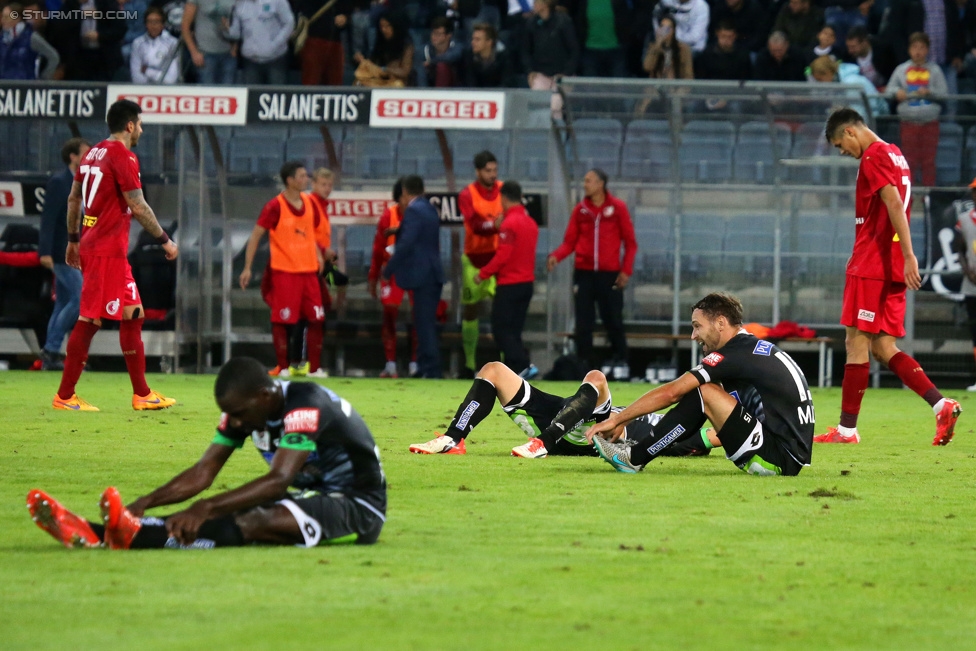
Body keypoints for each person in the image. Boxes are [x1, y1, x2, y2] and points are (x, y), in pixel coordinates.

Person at [28, 356, 386, 550]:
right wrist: (145, 502)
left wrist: (204, 507)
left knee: (255, 519)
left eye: (241, 415)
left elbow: (278, 481)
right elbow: (204, 472)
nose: (237, 423)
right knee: (240, 509)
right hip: (311, 495)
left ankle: (118, 536)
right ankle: (106, 532)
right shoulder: (245, 410)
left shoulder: (305, 405)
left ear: (264, 396)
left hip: (359, 506)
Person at [818, 108, 961, 445]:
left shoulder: (874, 156)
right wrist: (904, 257)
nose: (843, 152)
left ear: (851, 132)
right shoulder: (896, 154)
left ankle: (846, 431)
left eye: (841, 144)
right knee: (882, 346)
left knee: (856, 343)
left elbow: (895, 204)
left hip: (872, 263)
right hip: (890, 264)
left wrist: (911, 255)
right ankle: (941, 405)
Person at [587, 293, 815, 476]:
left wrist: (617, 418)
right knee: (703, 393)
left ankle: (634, 457)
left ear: (720, 323)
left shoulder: (734, 354)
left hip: (778, 459)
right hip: (786, 455)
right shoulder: (749, 348)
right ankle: (639, 452)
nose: (693, 336)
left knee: (703, 391)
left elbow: (672, 393)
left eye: (697, 326)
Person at [53, 100, 178, 412]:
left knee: (133, 313)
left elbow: (73, 199)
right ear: (130, 125)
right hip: (106, 250)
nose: (142, 130)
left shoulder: (91, 153)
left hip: (103, 247)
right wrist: (164, 240)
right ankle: (65, 396)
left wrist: (73, 240)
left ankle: (142, 393)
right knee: (90, 319)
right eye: (140, 124)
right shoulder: (124, 156)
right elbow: (137, 205)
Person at [408, 360, 715, 457]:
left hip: (595, 433)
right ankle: (453, 438)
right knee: (493, 370)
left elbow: (717, 436)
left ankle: (544, 443)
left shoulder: (682, 436)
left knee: (596, 377)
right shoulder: (682, 415)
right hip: (570, 412)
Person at [240, 161, 327, 379]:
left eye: (306, 175)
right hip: (285, 271)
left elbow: (309, 232)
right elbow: (256, 235)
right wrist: (248, 267)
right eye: (302, 176)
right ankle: (283, 367)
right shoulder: (275, 206)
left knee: (317, 318)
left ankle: (314, 369)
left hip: (308, 272)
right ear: (290, 180)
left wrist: (317, 255)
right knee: (282, 320)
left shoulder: (310, 202)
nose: (306, 179)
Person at [547, 168, 637, 371]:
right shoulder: (580, 210)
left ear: (600, 184)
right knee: (583, 323)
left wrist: (625, 271)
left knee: (613, 319)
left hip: (610, 274)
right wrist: (556, 257)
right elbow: (569, 242)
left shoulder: (617, 208)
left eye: (588, 181)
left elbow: (631, 243)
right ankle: (583, 366)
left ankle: (622, 363)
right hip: (584, 274)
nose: (585, 184)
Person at [383, 175, 444, 379]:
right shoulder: (428, 208)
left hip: (422, 275)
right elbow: (419, 233)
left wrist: (388, 269)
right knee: (424, 322)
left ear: (405, 192)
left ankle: (430, 369)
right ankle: (425, 366)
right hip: (432, 273)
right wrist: (398, 230)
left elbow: (407, 243)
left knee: (424, 324)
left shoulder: (413, 210)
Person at [38, 138, 90, 372]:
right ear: (73, 156)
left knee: (62, 303)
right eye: (85, 153)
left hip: (73, 252)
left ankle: (51, 354)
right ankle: (51, 349)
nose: (89, 157)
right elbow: (48, 218)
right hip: (60, 252)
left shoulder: (80, 182)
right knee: (79, 299)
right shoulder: (60, 182)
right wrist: (45, 251)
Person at [477, 181, 538, 379]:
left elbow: (504, 255)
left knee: (501, 329)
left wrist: (483, 273)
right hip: (526, 283)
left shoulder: (509, 223)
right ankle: (514, 373)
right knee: (514, 330)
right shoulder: (530, 222)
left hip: (509, 284)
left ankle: (524, 365)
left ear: (503, 198)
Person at [458, 151, 502, 379]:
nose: (493, 175)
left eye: (495, 170)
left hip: (497, 260)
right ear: (478, 172)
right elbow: (475, 225)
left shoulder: (503, 190)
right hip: (473, 261)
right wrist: (495, 224)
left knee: (503, 311)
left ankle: (506, 367)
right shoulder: (467, 194)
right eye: (488, 171)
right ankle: (469, 364)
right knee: (471, 310)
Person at [367, 180, 418, 379]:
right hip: (393, 270)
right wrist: (373, 278)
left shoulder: (419, 216)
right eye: (406, 196)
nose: (410, 200)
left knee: (419, 316)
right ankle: (390, 364)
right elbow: (377, 249)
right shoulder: (389, 216)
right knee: (389, 312)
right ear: (399, 198)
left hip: (415, 270)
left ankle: (415, 364)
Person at [885, 32, 947, 187]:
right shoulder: (901, 69)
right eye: (915, 47)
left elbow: (944, 94)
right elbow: (889, 90)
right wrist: (896, 92)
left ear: (927, 50)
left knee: (928, 161)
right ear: (909, 49)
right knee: (909, 160)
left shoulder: (935, 70)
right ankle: (908, 194)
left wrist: (930, 93)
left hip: (930, 122)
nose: (918, 51)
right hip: (908, 122)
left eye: (922, 47)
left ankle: (928, 196)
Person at [522, 0, 579, 112]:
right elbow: (525, 51)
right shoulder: (531, 24)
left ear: (545, 4)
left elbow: (574, 50)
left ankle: (558, 128)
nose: (533, 4)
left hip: (562, 75)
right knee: (537, 109)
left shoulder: (563, 21)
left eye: (536, 2)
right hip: (541, 73)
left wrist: (567, 73)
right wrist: (529, 71)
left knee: (554, 108)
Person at [224, 0, 294, 85]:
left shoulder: (278, 1)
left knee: (276, 94)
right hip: (250, 61)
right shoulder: (239, 5)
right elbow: (236, 33)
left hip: (275, 59)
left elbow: (289, 23)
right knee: (251, 95)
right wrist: (226, 28)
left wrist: (274, 44)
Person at [569, 0, 632, 77]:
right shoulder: (583, 2)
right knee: (590, 86)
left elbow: (626, 21)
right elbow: (580, 22)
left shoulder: (619, 2)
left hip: (616, 50)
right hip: (590, 51)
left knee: (619, 85)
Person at [181, 0, 237, 84]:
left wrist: (236, 47)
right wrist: (194, 52)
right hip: (205, 54)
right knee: (207, 93)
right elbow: (185, 26)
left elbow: (242, 23)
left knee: (229, 94)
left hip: (228, 54)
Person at [353, 11, 414, 86]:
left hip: (396, 82)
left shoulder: (407, 45)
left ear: (395, 26)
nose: (383, 30)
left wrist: (385, 70)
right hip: (379, 80)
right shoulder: (380, 41)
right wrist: (363, 61)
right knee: (359, 81)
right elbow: (374, 63)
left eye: (387, 26)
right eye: (381, 26)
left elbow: (405, 72)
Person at [0, 2, 59, 79]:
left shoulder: (31, 37)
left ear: (17, 19)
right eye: (3, 17)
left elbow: (53, 57)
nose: (3, 21)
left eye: (6, 17)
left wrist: (44, 79)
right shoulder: (2, 38)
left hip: (25, 85)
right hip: (4, 86)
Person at [296, 0, 349, 86]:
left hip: (335, 40)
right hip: (314, 39)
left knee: (335, 82)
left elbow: (347, 10)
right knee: (311, 80)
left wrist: (345, 18)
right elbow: (303, 9)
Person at [129, 7, 180, 83]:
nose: (153, 26)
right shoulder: (137, 43)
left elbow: (171, 79)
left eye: (157, 22)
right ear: (145, 24)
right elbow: (136, 77)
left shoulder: (173, 43)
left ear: (163, 24)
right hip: (142, 90)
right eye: (150, 22)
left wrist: (148, 71)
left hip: (166, 90)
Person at [844, 24, 896, 90]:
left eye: (853, 47)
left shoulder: (883, 51)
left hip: (883, 89)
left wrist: (889, 87)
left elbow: (892, 71)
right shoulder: (847, 56)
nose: (850, 51)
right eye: (848, 47)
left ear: (865, 43)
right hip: (860, 90)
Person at [643, 13, 693, 79]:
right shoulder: (654, 47)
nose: (664, 31)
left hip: (676, 85)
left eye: (668, 28)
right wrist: (658, 45)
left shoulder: (683, 49)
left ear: (674, 31)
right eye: (662, 27)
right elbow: (647, 67)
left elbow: (688, 75)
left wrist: (682, 89)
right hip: (657, 86)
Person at [462, 22, 511, 87]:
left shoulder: (504, 58)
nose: (472, 42)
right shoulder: (468, 56)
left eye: (477, 39)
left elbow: (506, 83)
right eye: (473, 39)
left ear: (489, 42)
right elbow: (470, 83)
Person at [423, 16, 463, 87]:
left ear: (448, 35)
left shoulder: (456, 47)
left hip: (456, 88)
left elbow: (451, 57)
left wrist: (431, 62)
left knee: (442, 66)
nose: (434, 37)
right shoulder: (425, 49)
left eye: (438, 34)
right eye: (433, 33)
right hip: (430, 86)